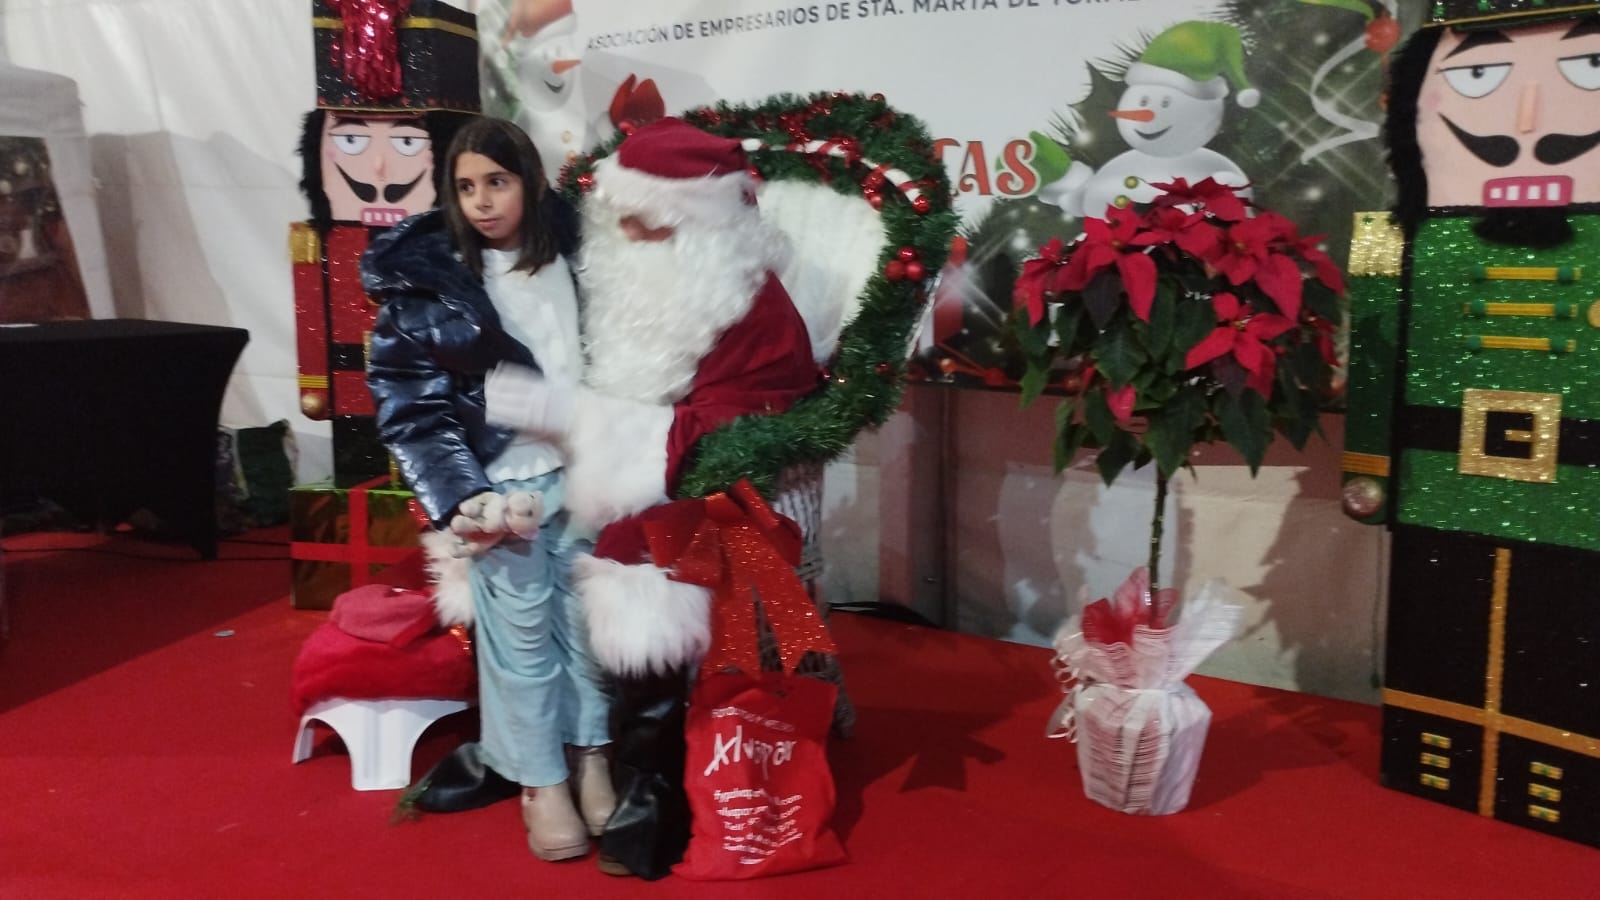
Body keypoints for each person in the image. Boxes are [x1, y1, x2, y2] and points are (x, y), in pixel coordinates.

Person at [485, 116, 822, 878]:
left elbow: (739, 427)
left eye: (650, 220)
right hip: (621, 475)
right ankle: (571, 753)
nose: (628, 232)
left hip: (717, 492)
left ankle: (654, 779)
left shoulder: (750, 301)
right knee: (525, 545)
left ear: (702, 223)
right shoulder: (622, 279)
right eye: (621, 216)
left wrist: (578, 420)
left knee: (647, 571)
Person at [360, 116, 614, 863]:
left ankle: (592, 754)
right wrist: (462, 494)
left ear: (529, 181)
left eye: (497, 182)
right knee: (521, 638)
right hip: (503, 491)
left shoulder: (582, 256)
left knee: (588, 629)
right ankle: (540, 779)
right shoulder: (428, 285)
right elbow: (410, 405)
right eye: (465, 186)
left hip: (589, 477)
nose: (481, 201)